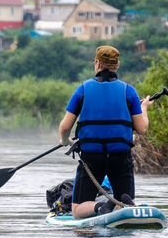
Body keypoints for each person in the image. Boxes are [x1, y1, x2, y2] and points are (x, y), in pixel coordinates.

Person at [58, 45, 152, 219]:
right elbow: (142, 128)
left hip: (92, 157)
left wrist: (65, 141)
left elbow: (65, 127)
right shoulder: (129, 91)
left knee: (77, 210)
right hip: (120, 156)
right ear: (117, 65)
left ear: (97, 63)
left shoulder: (83, 90)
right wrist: (144, 108)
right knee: (125, 204)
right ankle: (121, 202)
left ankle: (101, 206)